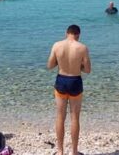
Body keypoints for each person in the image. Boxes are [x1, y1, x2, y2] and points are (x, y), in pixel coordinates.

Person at [47, 25, 91, 155]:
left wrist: (60, 63)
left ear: (66, 33)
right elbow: (88, 70)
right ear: (78, 34)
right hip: (75, 81)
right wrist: (78, 67)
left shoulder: (57, 45)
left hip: (61, 80)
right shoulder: (82, 48)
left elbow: (49, 65)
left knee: (60, 116)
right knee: (74, 118)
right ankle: (74, 151)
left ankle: (60, 151)